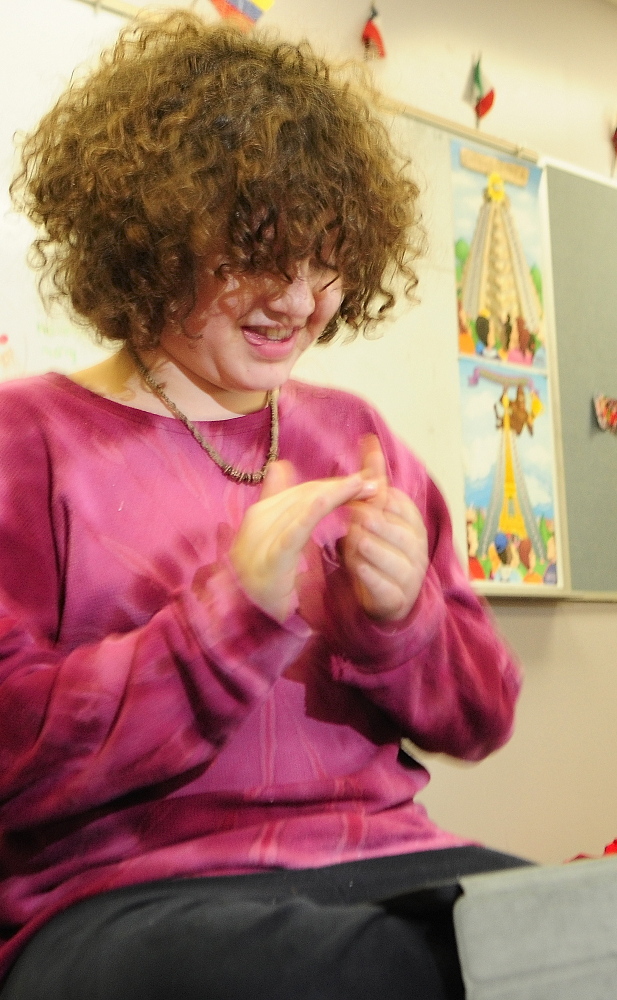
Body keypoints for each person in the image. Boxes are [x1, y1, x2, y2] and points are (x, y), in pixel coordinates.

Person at [0, 12, 525, 999]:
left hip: (384, 858)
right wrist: (222, 623)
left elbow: (481, 713)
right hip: (127, 896)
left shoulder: (352, 431)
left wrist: (402, 619)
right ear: (148, 237)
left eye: (324, 259)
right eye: (256, 254)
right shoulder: (23, 441)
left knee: (571, 937)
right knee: (386, 972)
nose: (299, 296)